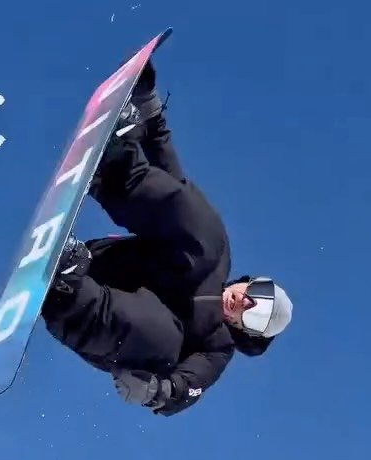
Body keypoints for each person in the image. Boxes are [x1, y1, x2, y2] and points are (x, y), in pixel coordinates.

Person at [41, 62, 292, 417]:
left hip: (92, 314)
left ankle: (67, 291)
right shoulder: (213, 258)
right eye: (259, 295)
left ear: (246, 331)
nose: (246, 304)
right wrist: (152, 117)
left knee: (167, 341)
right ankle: (114, 165)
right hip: (100, 263)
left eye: (256, 316)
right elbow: (174, 190)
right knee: (207, 237)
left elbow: (188, 387)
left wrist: (158, 390)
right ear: (250, 283)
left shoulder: (216, 346)